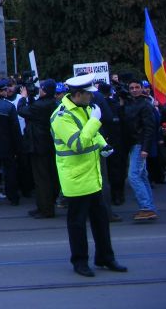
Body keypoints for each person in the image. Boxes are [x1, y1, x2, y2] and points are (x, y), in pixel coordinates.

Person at [50, 74, 126, 277]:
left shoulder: (85, 109)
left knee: (101, 221)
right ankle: (80, 262)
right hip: (76, 179)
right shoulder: (61, 116)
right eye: (88, 94)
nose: (92, 97)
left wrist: (103, 144)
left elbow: (92, 133)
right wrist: (94, 122)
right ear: (78, 94)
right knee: (77, 224)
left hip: (92, 176)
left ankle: (105, 257)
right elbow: (78, 144)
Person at [19, 79, 58, 218]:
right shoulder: (52, 103)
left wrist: (23, 97)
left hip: (39, 145)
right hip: (47, 144)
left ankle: (46, 208)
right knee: (48, 176)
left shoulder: (42, 105)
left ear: (45, 90)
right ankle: (43, 206)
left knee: (42, 178)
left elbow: (22, 111)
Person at [122, 78, 158, 220]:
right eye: (132, 88)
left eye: (137, 87)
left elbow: (150, 128)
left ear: (142, 88)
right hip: (135, 144)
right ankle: (149, 207)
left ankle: (147, 207)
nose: (134, 90)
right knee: (142, 176)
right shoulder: (133, 103)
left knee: (134, 176)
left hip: (140, 144)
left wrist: (145, 148)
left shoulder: (145, 105)